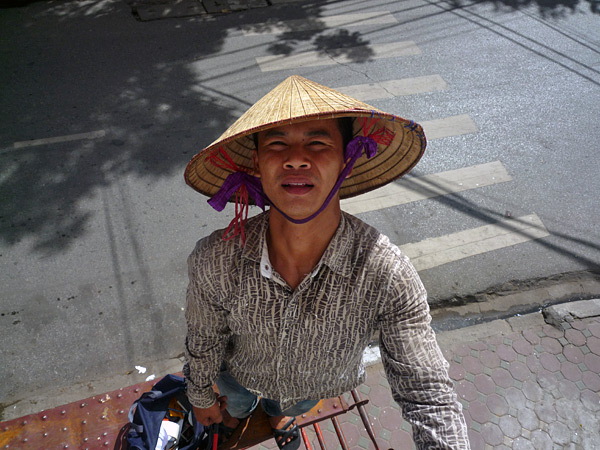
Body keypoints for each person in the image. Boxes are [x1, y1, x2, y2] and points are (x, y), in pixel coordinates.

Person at [183, 75, 470, 449]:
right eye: (277, 144)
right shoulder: (215, 259)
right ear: (256, 162)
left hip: (315, 388)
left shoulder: (386, 273)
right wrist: (202, 397)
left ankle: (280, 417)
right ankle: (239, 417)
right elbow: (204, 340)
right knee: (236, 404)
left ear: (346, 159)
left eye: (317, 143)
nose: (296, 159)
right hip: (238, 378)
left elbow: (428, 392)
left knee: (292, 406)